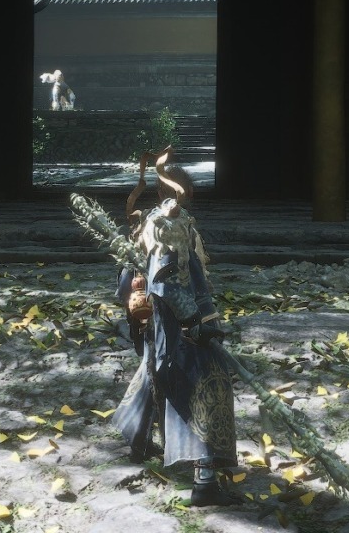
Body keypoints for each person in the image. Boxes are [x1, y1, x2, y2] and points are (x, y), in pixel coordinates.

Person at [112, 151, 237, 507]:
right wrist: (194, 322)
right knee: (205, 386)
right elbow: (164, 280)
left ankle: (137, 441)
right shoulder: (168, 224)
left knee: (156, 374)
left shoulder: (152, 221)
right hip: (180, 326)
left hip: (163, 323)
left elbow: (132, 280)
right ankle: (205, 482)